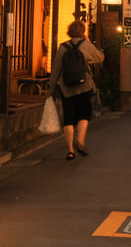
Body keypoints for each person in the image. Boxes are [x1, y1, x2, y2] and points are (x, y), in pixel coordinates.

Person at [49, 21, 105, 160]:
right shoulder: (85, 45)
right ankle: (80, 141)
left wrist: (50, 90)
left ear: (69, 31)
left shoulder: (63, 47)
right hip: (83, 86)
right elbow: (100, 57)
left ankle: (70, 151)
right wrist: (88, 43)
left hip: (66, 87)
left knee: (68, 118)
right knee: (83, 115)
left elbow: (55, 70)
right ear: (82, 31)